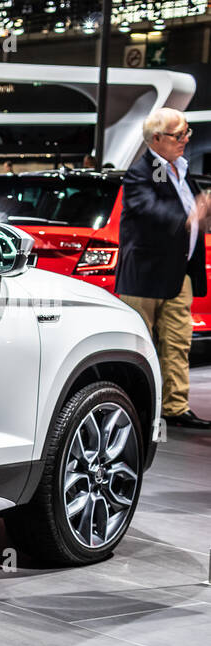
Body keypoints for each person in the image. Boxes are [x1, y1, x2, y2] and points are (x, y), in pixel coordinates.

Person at [116, 107, 211, 429]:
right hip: (144, 276)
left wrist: (203, 214)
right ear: (157, 138)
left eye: (187, 133)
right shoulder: (140, 171)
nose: (186, 139)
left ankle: (175, 407)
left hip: (177, 274)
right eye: (179, 134)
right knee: (137, 345)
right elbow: (148, 209)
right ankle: (135, 406)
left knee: (177, 342)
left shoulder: (182, 170)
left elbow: (196, 213)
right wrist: (190, 217)